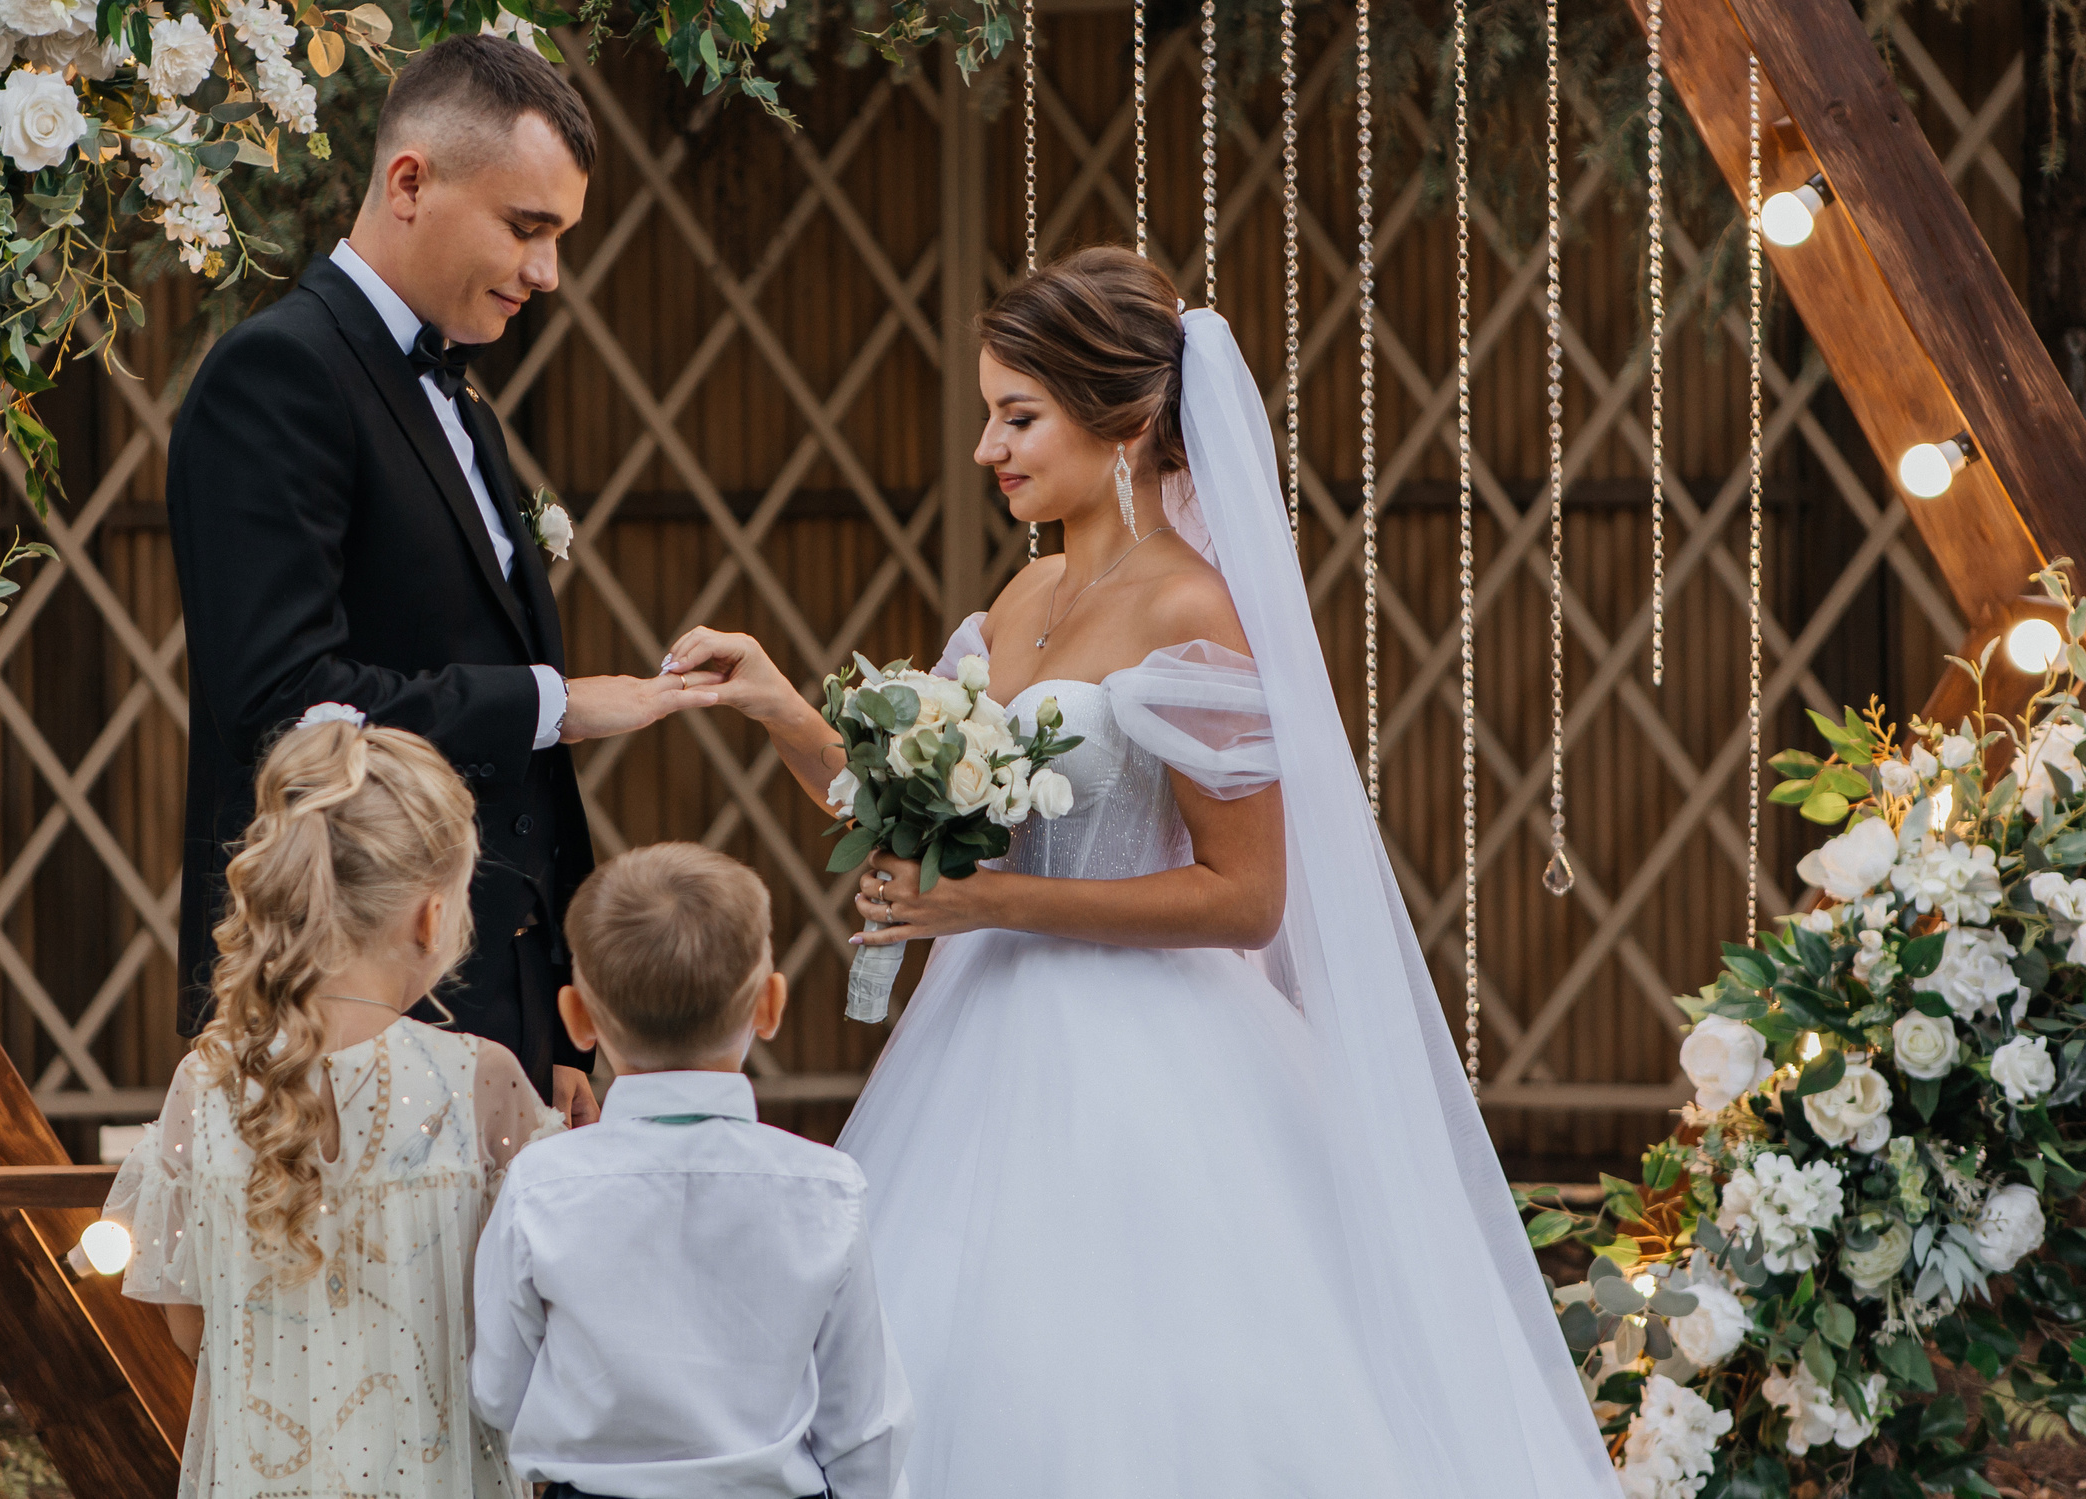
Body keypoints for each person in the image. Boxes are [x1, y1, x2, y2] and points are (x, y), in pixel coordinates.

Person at [665, 247, 1621, 1497]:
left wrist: (992, 903)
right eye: (987, 417)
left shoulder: (1193, 614)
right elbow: (917, 816)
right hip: (981, 1039)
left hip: (1154, 1066)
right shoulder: (1020, 601)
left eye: (1017, 417)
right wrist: (783, 708)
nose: (986, 451)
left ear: (1122, 422)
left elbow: (1244, 898)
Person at [168, 35, 719, 1122]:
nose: (547, 273)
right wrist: (556, 704)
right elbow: (285, 706)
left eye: (557, 236)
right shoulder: (279, 376)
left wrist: (559, 987)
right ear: (410, 182)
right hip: (339, 989)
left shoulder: (461, 400)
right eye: (527, 229)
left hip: (496, 994)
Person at [104, 708, 563, 1497]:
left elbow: (190, 1325)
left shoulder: (205, 1082)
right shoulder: (480, 1081)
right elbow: (537, 1320)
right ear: (433, 914)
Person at [470, 843, 913, 1499]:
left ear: (578, 1018)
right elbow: (864, 1427)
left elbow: (499, 1391)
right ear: (770, 1004)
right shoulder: (825, 1188)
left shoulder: (541, 1184)